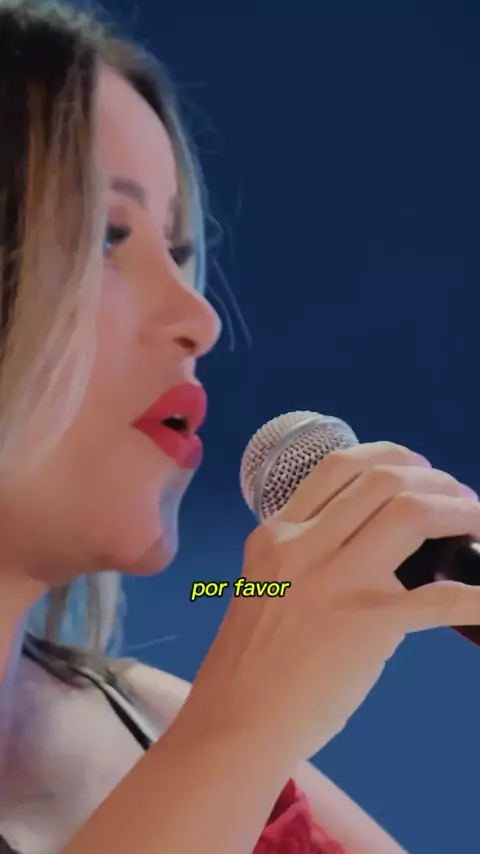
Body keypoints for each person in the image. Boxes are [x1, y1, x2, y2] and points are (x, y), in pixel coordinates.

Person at [0, 2, 479, 853]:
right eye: (106, 237)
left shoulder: (153, 717)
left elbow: (243, 598)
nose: (200, 318)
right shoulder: (220, 735)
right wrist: (239, 727)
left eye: (181, 252)